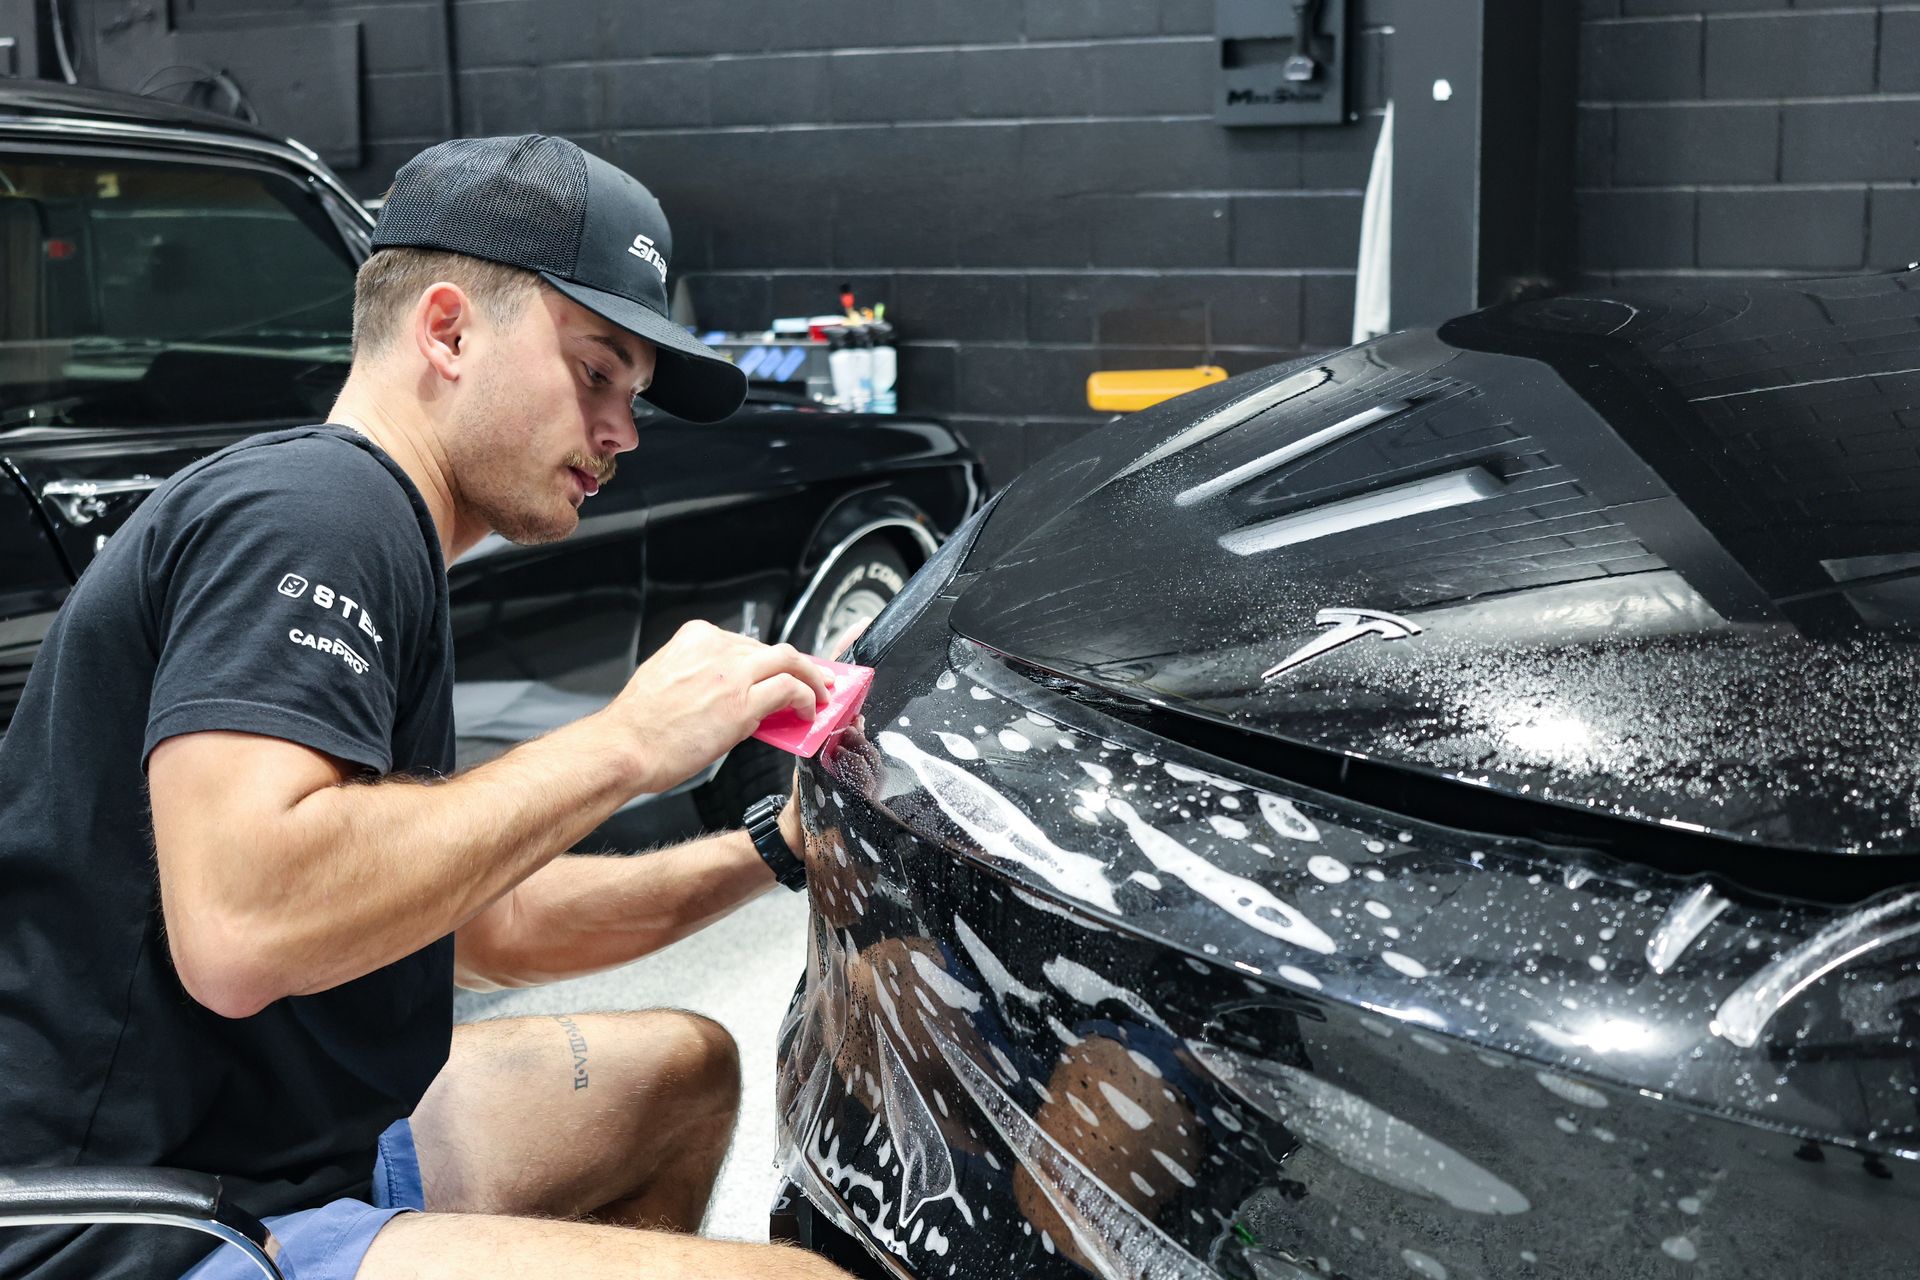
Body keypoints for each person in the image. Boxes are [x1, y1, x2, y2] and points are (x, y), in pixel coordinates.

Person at [0, 135, 854, 1280]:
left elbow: (492, 924)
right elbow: (244, 924)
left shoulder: (379, 530)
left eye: (635, 394)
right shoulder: (321, 508)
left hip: (271, 1146)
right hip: (125, 1214)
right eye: (596, 372)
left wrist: (779, 847)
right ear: (447, 331)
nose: (624, 431)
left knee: (680, 1069)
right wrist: (627, 742)